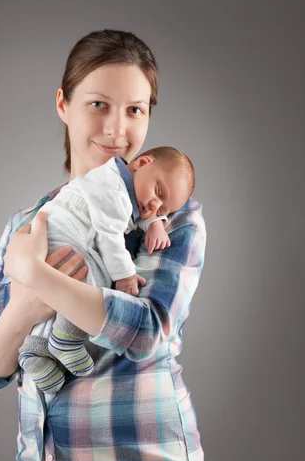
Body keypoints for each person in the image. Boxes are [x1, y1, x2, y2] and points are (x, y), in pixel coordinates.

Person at [0, 29, 207, 461]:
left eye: (135, 109)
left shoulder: (169, 218)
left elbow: (147, 334)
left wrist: (37, 275)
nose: (117, 129)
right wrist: (27, 306)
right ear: (64, 104)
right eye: (98, 104)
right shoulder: (27, 226)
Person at [18, 147, 195, 395]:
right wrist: (125, 277)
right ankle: (66, 338)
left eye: (163, 209)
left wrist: (154, 222)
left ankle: (34, 350)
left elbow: (135, 213)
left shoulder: (127, 190)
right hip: (64, 230)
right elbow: (110, 235)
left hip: (66, 231)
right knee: (93, 280)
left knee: (55, 297)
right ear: (142, 162)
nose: (154, 206)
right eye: (158, 193)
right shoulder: (112, 185)